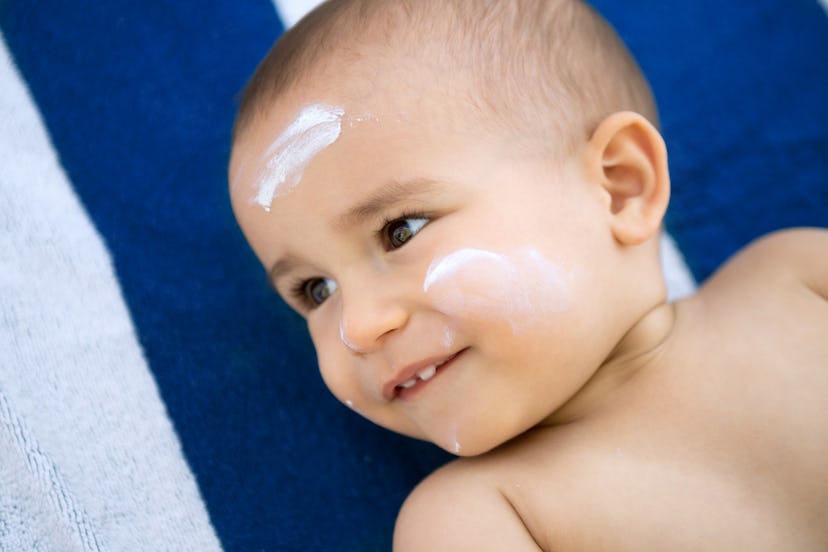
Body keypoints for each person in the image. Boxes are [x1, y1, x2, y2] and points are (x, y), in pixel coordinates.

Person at [227, 0, 828, 549]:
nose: (358, 327)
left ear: (619, 187)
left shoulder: (796, 275)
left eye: (401, 230)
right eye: (316, 291)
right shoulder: (481, 516)